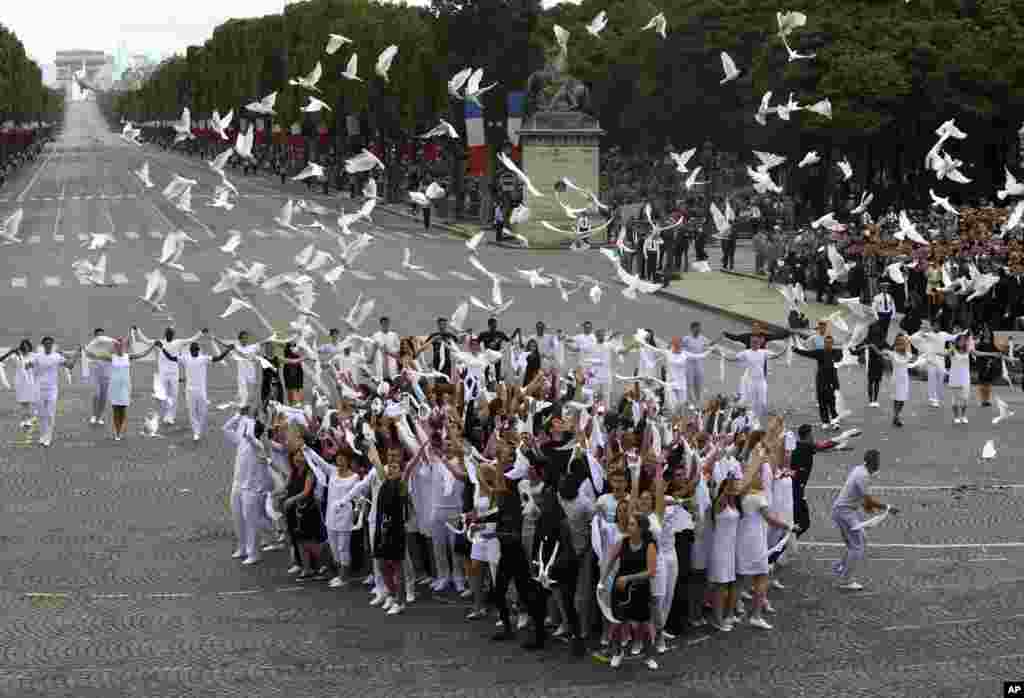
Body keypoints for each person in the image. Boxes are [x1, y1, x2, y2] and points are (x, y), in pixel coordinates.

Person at [830, 449, 897, 591]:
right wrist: (887, 507)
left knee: (858, 541)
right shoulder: (863, 476)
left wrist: (868, 507)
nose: (879, 464)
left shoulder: (860, 469)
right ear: (872, 463)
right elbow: (868, 501)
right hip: (844, 513)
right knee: (857, 546)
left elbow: (864, 501)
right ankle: (845, 580)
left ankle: (841, 567)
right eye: (878, 461)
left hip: (847, 511)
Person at [159, 340, 235, 440]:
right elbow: (171, 358)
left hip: (201, 391)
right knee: (192, 412)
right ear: (190, 351)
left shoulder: (203, 359)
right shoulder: (185, 358)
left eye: (195, 350)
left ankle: (198, 429)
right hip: (189, 391)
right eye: (193, 350)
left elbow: (218, 358)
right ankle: (196, 432)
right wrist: (162, 348)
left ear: (198, 351)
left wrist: (228, 350)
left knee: (202, 412)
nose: (194, 352)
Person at [86, 337, 158, 440]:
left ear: (124, 347)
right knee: (116, 411)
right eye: (118, 346)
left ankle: (120, 431)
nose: (120, 348)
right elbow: (96, 355)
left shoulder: (128, 357)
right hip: (115, 388)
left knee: (123, 411)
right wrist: (86, 351)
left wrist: (152, 347)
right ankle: (117, 432)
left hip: (125, 388)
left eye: (121, 346)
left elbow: (142, 354)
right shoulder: (111, 357)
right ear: (115, 347)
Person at [225, 408, 272, 565]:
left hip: (253, 488)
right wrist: (238, 415)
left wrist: (250, 429)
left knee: (251, 520)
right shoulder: (242, 441)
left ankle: (254, 552)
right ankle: (242, 546)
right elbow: (226, 429)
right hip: (238, 484)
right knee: (237, 517)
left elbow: (256, 443)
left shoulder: (259, 445)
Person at [26, 336, 79, 447]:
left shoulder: (57, 357)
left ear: (53, 345)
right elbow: (28, 365)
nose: (48, 345)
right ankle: (42, 435)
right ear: (43, 345)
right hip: (39, 389)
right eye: (46, 344)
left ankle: (48, 438)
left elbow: (70, 365)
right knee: (41, 414)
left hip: (52, 390)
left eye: (50, 344)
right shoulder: (38, 356)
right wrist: (27, 364)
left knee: (50, 414)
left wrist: (76, 355)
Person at [792, 335, 843, 429]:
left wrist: (835, 359)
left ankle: (835, 421)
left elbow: (839, 358)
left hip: (832, 380)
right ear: (824, 343)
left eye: (830, 343)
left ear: (832, 343)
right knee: (822, 402)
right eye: (826, 343)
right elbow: (806, 353)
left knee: (832, 402)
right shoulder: (820, 352)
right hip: (821, 381)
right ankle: (825, 421)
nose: (828, 344)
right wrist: (795, 349)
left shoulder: (837, 352)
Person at [0, 339, 38, 428]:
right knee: (23, 402)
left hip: (30, 381)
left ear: (30, 347)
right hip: (20, 381)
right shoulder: (16, 356)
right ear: (21, 347)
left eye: (27, 346)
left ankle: (28, 419)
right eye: (24, 346)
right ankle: (24, 420)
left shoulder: (33, 355)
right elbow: (1, 359)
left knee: (29, 401)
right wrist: (11, 352)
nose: (26, 348)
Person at [371, 317, 400, 382]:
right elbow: (373, 351)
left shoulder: (394, 335)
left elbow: (399, 352)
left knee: (393, 383)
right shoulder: (375, 336)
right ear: (380, 324)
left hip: (392, 367)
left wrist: (388, 351)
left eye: (386, 323)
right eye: (383, 324)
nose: (385, 325)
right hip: (380, 366)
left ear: (389, 324)